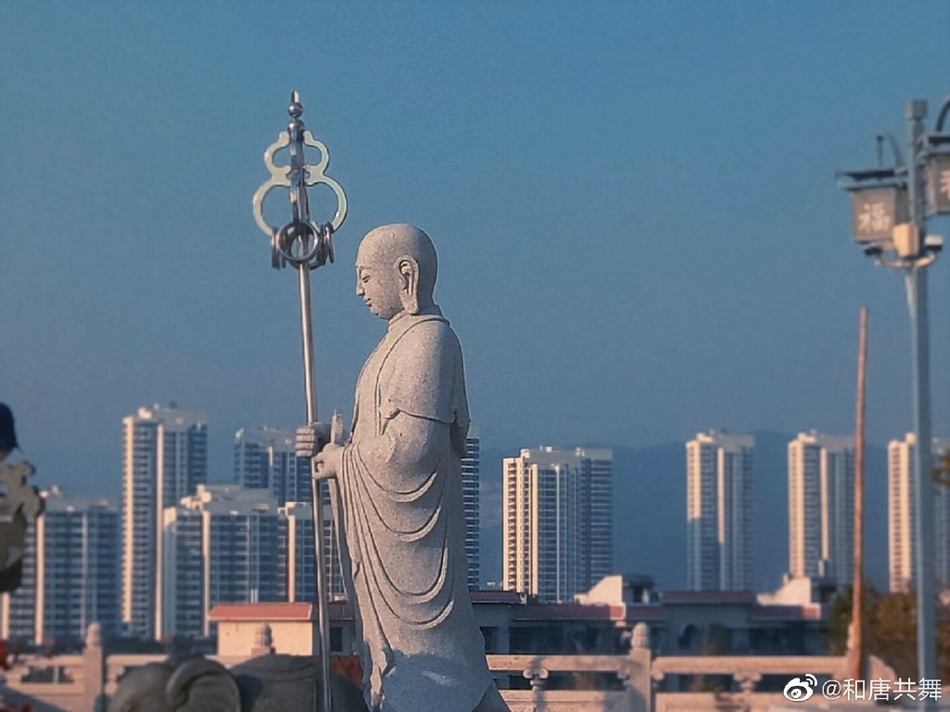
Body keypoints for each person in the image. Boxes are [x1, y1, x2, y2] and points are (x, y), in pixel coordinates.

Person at [298, 224, 509, 712]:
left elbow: (412, 450)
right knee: (398, 664)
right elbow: (377, 438)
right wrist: (333, 445)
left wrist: (342, 463)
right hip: (388, 546)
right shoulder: (394, 343)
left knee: (433, 666)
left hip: (417, 552)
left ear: (405, 275)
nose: (359, 290)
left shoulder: (429, 342)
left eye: (366, 276)